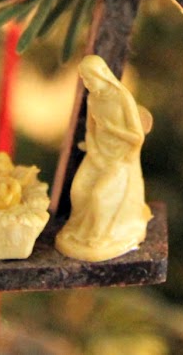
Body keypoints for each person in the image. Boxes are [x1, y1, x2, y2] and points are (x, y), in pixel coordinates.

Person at [55, 54, 152, 262]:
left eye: (90, 79)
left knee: (100, 196)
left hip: (120, 158)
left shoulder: (122, 99)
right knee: (78, 189)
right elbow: (91, 129)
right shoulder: (93, 99)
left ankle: (99, 236)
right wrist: (94, 150)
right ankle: (80, 231)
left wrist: (112, 130)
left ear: (102, 75)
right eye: (84, 79)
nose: (88, 84)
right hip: (97, 153)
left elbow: (137, 137)